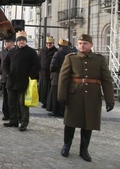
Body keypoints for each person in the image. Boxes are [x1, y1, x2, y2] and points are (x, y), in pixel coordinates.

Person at [58, 34, 115, 162]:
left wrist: (109, 99)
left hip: (92, 96)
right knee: (70, 122)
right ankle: (66, 145)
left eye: (85, 43)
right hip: (74, 94)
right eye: (80, 43)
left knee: (88, 123)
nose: (82, 46)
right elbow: (63, 78)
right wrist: (61, 96)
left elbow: (106, 80)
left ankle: (84, 149)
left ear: (91, 45)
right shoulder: (71, 58)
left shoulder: (99, 60)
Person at [3, 30, 40, 131]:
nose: (21, 42)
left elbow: (36, 66)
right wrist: (7, 74)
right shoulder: (11, 52)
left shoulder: (31, 52)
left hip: (24, 83)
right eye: (19, 40)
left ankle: (24, 123)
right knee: (11, 102)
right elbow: (5, 64)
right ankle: (13, 121)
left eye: (23, 40)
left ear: (26, 41)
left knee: (23, 104)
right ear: (17, 42)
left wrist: (29, 75)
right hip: (11, 81)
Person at [46, 38, 71, 117]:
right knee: (64, 94)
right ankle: (63, 111)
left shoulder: (58, 53)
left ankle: (55, 111)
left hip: (57, 77)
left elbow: (53, 66)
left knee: (55, 95)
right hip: (67, 77)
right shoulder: (70, 53)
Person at [0, 37, 16, 120]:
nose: (4, 43)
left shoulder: (16, 51)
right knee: (6, 98)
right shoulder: (2, 52)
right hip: (4, 78)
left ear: (11, 42)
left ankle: (14, 115)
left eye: (6, 42)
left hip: (13, 79)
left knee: (13, 99)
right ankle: (6, 114)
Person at [38, 36, 58, 108]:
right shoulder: (43, 50)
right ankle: (44, 102)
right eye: (47, 43)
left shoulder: (56, 51)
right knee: (43, 90)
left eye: (50, 43)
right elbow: (39, 59)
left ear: (53, 43)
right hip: (42, 74)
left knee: (48, 90)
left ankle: (48, 103)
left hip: (50, 74)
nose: (48, 44)